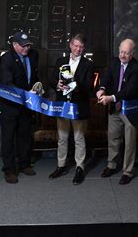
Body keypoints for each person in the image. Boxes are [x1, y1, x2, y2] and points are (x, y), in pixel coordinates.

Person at [48, 34, 94, 185]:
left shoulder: (88, 64)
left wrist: (75, 84)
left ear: (84, 48)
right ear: (70, 45)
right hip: (62, 105)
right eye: (75, 45)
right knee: (62, 138)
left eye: (81, 47)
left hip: (78, 105)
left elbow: (89, 87)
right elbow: (51, 79)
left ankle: (79, 168)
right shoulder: (60, 61)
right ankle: (61, 166)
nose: (78, 49)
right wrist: (58, 85)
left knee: (79, 139)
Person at [96, 38, 138, 185]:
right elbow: (106, 77)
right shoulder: (114, 62)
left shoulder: (137, 68)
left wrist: (111, 98)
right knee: (113, 138)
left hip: (130, 109)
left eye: (126, 53)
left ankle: (127, 172)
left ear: (132, 53)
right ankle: (111, 165)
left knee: (129, 142)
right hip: (115, 108)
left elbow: (130, 91)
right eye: (121, 52)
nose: (122, 55)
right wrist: (102, 89)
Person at [0, 31, 39, 184]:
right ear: (14, 45)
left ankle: (24, 164)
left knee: (25, 134)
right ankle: (8, 169)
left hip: (27, 104)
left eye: (28, 45)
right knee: (8, 138)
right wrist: (25, 94)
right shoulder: (6, 59)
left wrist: (36, 89)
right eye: (23, 46)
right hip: (10, 104)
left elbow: (34, 77)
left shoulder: (34, 55)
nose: (26, 48)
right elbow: (7, 83)